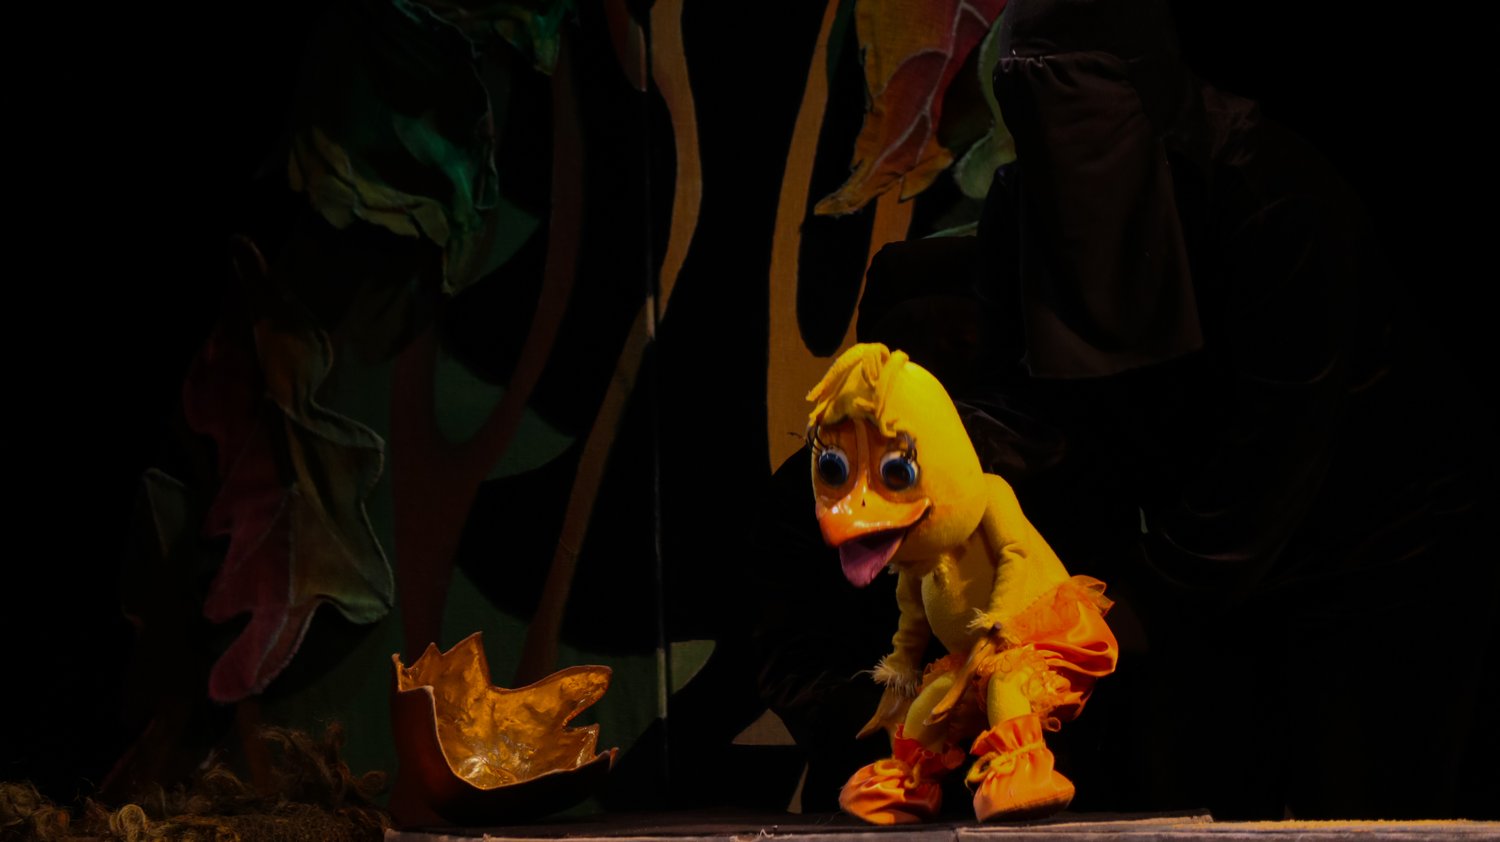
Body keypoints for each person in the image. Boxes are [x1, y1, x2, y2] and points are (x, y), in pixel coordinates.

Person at [750, 0, 1497, 821]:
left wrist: (1119, 606)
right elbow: (1026, 404)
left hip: (1377, 544)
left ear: (1145, 98)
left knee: (1362, 807)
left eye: (1074, 106)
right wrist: (927, 453)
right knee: (1200, 802)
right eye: (1027, 113)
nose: (1055, 143)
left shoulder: (1273, 197)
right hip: (1194, 541)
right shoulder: (1025, 207)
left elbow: (1279, 443)